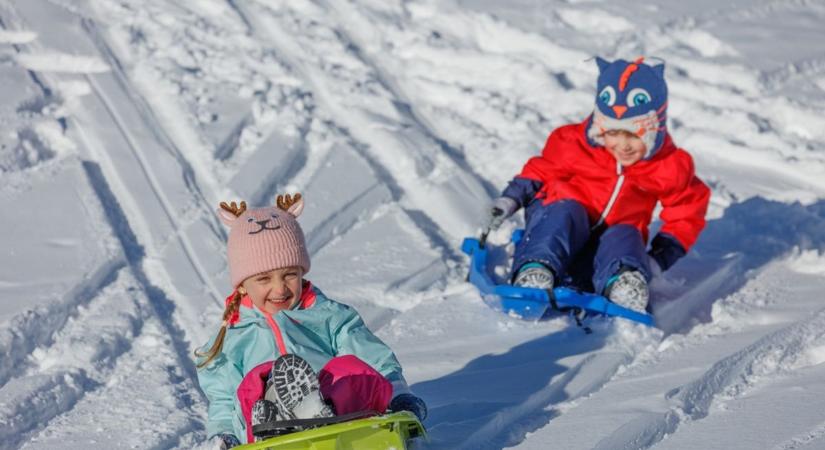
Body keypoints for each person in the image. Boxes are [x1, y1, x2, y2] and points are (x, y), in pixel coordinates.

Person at [196, 194, 427, 448]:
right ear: (241, 286)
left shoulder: (330, 316)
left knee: (348, 369)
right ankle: (281, 415)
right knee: (254, 383)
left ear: (301, 272)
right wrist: (223, 437)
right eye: (264, 279)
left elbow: (375, 358)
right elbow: (224, 402)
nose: (279, 289)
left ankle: (315, 410)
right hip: (267, 428)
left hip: (341, 415)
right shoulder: (234, 337)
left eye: (289, 275)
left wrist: (398, 396)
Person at [487, 57, 710, 313]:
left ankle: (623, 283)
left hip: (603, 251)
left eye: (634, 136)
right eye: (613, 133)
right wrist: (510, 199)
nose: (622, 145)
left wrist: (658, 259)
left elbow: (687, 210)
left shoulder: (668, 165)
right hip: (558, 227)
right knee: (566, 210)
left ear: (654, 131)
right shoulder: (573, 144)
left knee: (626, 232)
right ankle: (535, 270)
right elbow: (540, 171)